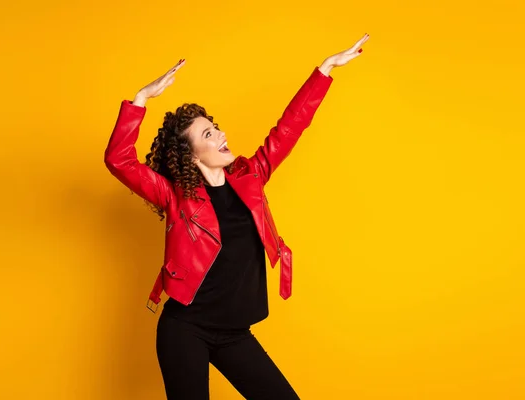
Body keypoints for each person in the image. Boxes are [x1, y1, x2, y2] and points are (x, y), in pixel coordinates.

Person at [104, 33, 370, 400]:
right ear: (191, 154)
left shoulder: (251, 176)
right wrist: (140, 100)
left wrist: (324, 71)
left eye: (216, 127)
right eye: (209, 134)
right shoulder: (174, 196)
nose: (222, 135)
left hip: (233, 333)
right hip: (186, 329)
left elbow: (288, 130)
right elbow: (119, 160)